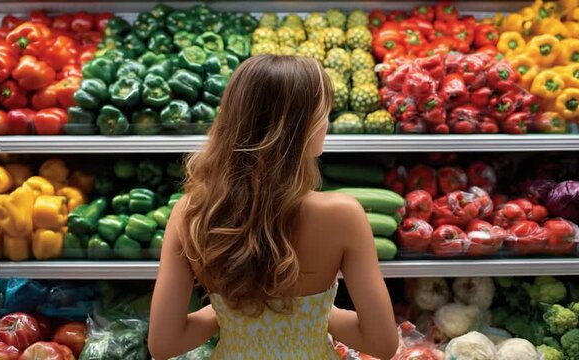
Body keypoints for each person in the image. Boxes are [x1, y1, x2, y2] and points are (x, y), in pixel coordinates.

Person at [149, 55, 398, 360]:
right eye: (323, 113)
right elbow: (382, 344)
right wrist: (315, 312)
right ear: (301, 127)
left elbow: (164, 344)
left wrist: (227, 310)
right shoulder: (343, 215)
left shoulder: (192, 212)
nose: (327, 123)